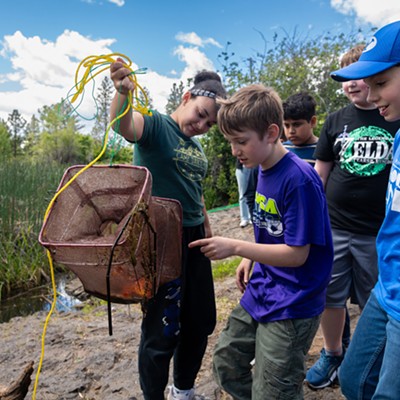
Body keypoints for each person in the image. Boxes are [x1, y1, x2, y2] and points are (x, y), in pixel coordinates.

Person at [189, 84, 334, 399]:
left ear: (271, 133)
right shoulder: (260, 168)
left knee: (275, 389)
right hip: (265, 286)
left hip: (295, 299)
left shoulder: (299, 180)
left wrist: (237, 247)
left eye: (241, 141)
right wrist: (251, 256)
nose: (234, 151)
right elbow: (269, 224)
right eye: (230, 142)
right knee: (226, 362)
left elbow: (297, 254)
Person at [109, 61, 227, 400]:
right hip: (162, 242)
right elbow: (123, 124)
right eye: (201, 114)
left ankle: (184, 391)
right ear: (187, 97)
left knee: (200, 321)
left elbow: (196, 192)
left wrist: (206, 227)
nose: (203, 125)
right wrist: (121, 93)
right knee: (162, 329)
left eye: (210, 123)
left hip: (195, 241)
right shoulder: (158, 128)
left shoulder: (197, 147)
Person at [305, 43, 400, 390]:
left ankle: (383, 358)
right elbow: (320, 174)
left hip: (378, 232)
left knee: (372, 297)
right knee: (331, 295)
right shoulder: (336, 122)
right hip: (336, 226)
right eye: (348, 78)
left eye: (372, 80)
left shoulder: (393, 114)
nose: (355, 86)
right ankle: (333, 353)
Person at [329, 20, 400, 399]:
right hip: (387, 287)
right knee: (355, 380)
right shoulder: (399, 136)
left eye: (381, 83)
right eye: (367, 85)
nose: (371, 97)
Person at [243, 91, 319, 217]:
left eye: (297, 124)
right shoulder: (281, 150)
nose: (291, 131)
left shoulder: (323, 151)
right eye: (287, 125)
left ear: (312, 122)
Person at [235, 158, 252, 227]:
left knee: (254, 193)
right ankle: (244, 218)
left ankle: (252, 216)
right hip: (242, 168)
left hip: (253, 167)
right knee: (243, 194)